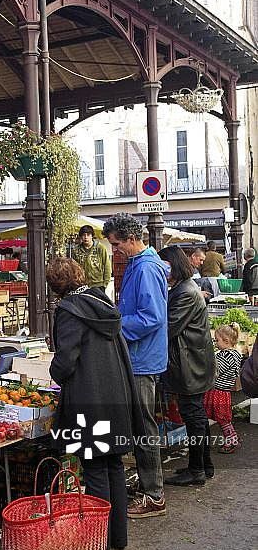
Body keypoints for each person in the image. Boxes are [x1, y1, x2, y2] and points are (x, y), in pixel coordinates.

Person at [47, 258, 144, 550]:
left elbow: (65, 360)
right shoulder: (102, 301)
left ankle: (97, 542)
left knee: (95, 469)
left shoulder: (69, 310)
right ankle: (118, 538)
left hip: (89, 399)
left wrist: (54, 373)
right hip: (116, 395)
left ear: (56, 286)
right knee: (113, 464)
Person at [103, 213, 168, 519]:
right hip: (140, 356)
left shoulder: (145, 268)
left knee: (144, 428)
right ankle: (148, 487)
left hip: (143, 358)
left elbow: (151, 317)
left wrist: (117, 326)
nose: (114, 249)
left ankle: (154, 496)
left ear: (130, 238)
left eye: (116, 243)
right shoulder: (139, 264)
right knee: (142, 425)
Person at [158, 246, 216, 485]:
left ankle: (197, 471)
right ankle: (203, 465)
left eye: (165, 266)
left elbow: (169, 328)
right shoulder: (185, 288)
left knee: (193, 415)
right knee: (197, 415)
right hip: (193, 361)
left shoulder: (185, 292)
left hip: (191, 364)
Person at [204, 324, 242, 454]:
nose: (215, 343)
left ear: (226, 341)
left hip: (218, 392)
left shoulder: (225, 356)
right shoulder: (236, 354)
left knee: (222, 419)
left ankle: (231, 440)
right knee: (224, 419)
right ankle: (232, 438)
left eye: (217, 340)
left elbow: (214, 371)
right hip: (224, 392)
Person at [72, 224, 112, 291]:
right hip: (83, 285)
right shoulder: (76, 250)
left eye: (88, 235)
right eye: (83, 235)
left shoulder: (100, 248)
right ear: (81, 237)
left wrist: (105, 284)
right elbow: (74, 269)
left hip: (98, 285)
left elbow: (107, 266)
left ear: (92, 236)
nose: (86, 237)